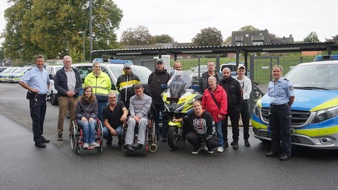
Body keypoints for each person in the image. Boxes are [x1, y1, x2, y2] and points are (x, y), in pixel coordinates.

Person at [19, 55, 50, 148]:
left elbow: (48, 82)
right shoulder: (31, 72)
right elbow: (21, 82)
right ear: (35, 62)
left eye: (41, 61)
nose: (40, 63)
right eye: (38, 61)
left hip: (43, 97)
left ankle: (40, 136)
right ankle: (37, 140)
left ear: (43, 62)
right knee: (36, 119)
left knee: (41, 118)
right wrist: (31, 89)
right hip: (35, 98)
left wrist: (47, 90)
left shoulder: (45, 71)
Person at [266, 65, 295, 161]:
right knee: (274, 131)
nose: (276, 73)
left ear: (281, 72)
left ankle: (286, 152)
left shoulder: (286, 83)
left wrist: (287, 106)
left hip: (283, 108)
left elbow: (292, 97)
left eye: (277, 71)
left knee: (285, 132)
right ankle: (275, 151)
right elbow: (270, 96)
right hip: (273, 108)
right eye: (274, 71)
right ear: (272, 72)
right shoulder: (270, 83)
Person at [54, 55, 82, 141]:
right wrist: (66, 92)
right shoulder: (59, 73)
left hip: (74, 96)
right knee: (61, 116)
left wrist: (75, 91)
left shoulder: (76, 72)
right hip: (63, 97)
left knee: (73, 117)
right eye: (66, 61)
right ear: (63, 62)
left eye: (69, 61)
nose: (67, 63)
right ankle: (60, 133)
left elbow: (79, 85)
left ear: (71, 62)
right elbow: (56, 86)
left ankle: (71, 133)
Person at [202, 76, 228, 153]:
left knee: (219, 130)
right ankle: (207, 144)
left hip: (218, 115)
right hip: (208, 115)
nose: (210, 83)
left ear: (215, 81)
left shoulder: (222, 91)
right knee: (207, 130)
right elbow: (203, 103)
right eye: (209, 81)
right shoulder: (206, 91)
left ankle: (220, 145)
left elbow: (224, 103)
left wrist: (221, 113)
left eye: (212, 81)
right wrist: (203, 112)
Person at [219, 67, 242, 150]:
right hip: (223, 109)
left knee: (235, 126)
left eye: (227, 73)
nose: (225, 74)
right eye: (224, 73)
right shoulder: (219, 83)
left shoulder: (235, 83)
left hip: (234, 108)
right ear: (222, 73)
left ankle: (235, 141)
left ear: (230, 73)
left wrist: (238, 107)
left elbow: (240, 96)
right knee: (223, 126)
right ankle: (225, 141)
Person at [124, 84, 152, 151]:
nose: (138, 93)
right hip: (133, 116)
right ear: (134, 91)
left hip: (143, 116)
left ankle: (140, 143)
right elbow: (131, 108)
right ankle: (128, 143)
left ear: (143, 89)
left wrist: (138, 117)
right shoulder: (132, 98)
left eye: (140, 91)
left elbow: (145, 110)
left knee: (142, 121)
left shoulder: (148, 98)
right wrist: (134, 116)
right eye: (137, 91)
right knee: (131, 121)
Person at [148, 59, 170, 142]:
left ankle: (164, 135)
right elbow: (149, 86)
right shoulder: (152, 75)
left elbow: (170, 88)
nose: (159, 65)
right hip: (153, 101)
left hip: (164, 101)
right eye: (158, 64)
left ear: (163, 65)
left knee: (165, 118)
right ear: (156, 65)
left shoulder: (167, 75)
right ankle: (156, 134)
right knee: (155, 118)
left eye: (160, 64)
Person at [234, 65, 252, 147]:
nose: (241, 72)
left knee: (246, 122)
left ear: (244, 71)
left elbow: (248, 92)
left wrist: (241, 97)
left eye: (242, 70)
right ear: (237, 71)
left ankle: (246, 139)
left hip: (244, 102)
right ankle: (235, 140)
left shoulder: (248, 80)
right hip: (236, 103)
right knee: (235, 122)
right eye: (239, 70)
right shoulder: (233, 80)